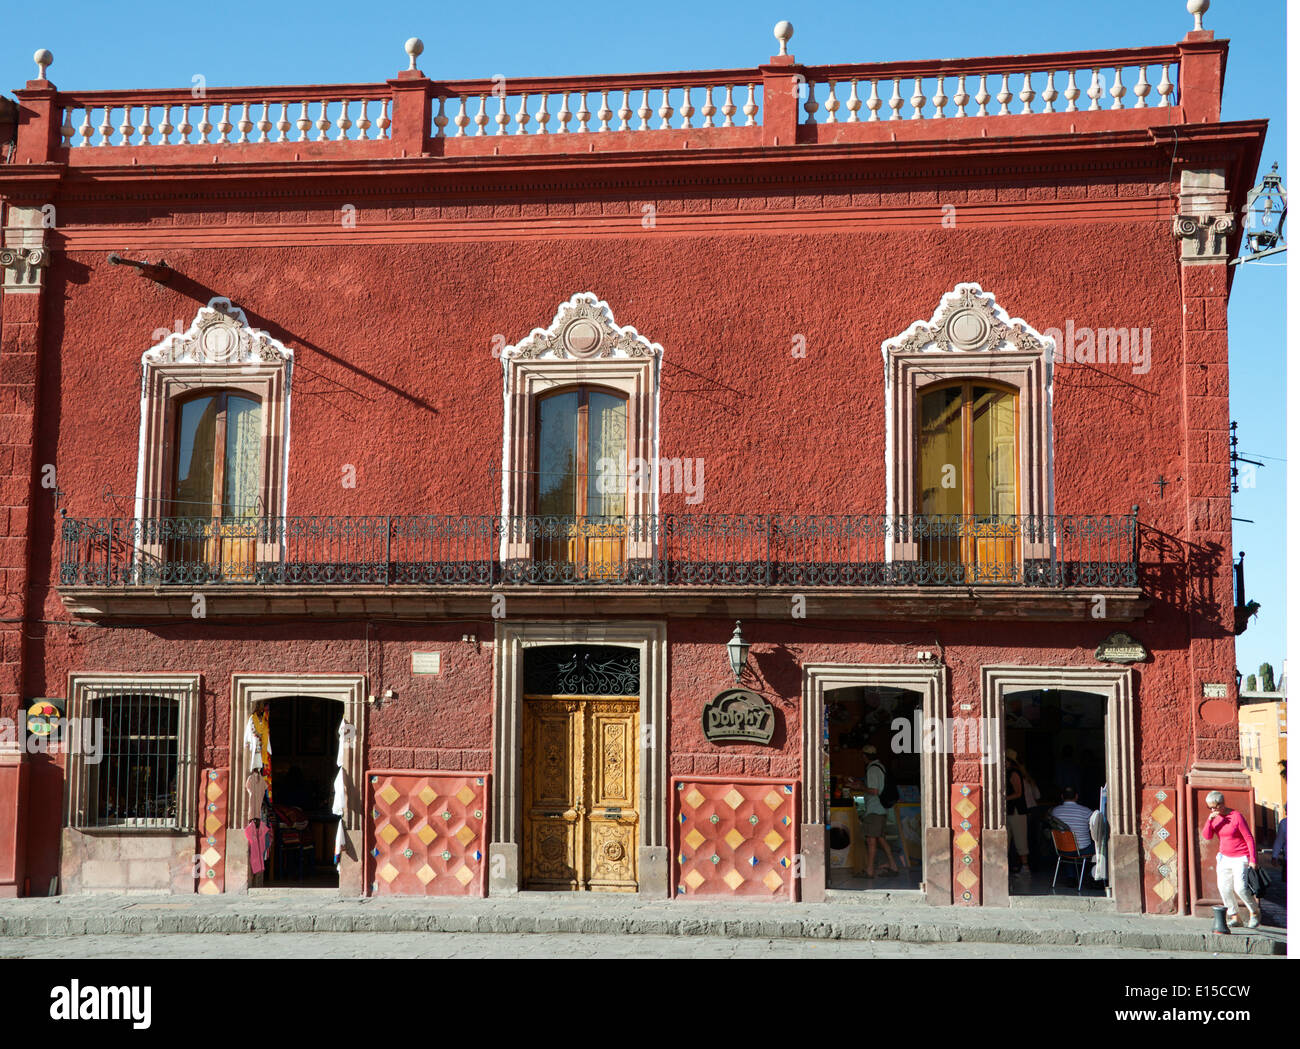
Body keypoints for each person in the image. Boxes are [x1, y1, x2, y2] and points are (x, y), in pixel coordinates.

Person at [1201, 791, 1260, 929]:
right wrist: (1209, 820)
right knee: (1224, 888)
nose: (1213, 810)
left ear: (1222, 804)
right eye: (1209, 808)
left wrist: (1253, 859)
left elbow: (1248, 838)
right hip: (1224, 858)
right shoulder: (1214, 818)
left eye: (1215, 807)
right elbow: (1207, 836)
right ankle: (1234, 916)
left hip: (1240, 857)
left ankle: (1254, 912)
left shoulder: (1236, 816)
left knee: (1240, 888)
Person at [861, 745, 899, 877]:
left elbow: (874, 790)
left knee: (871, 840)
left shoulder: (872, 769)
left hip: (874, 810)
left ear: (865, 756)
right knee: (881, 839)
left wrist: (860, 786)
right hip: (882, 810)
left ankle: (869, 870)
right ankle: (893, 866)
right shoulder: (881, 767)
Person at [1006, 750, 1035, 875]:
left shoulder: (1014, 773)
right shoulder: (1007, 773)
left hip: (1017, 811)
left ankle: (1025, 866)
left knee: (1020, 839)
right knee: (1007, 839)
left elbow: (1018, 793)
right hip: (1009, 811)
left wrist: (1003, 798)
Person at [1050, 787, 1096, 856]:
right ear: (1076, 796)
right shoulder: (1086, 811)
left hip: (1062, 849)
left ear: (1062, 797)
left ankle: (1070, 866)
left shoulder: (1055, 811)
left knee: (1070, 852)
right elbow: (1097, 825)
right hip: (1083, 850)